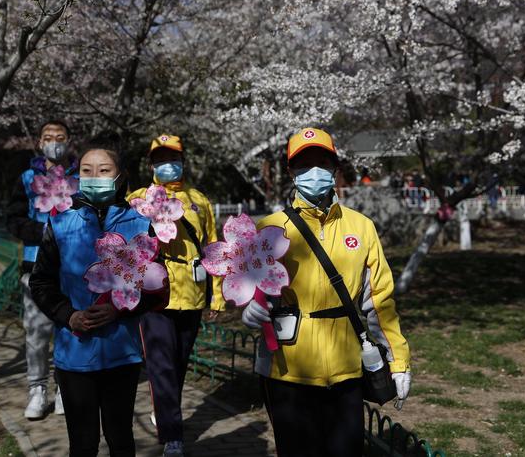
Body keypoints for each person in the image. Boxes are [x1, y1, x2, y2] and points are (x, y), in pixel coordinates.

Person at [242, 128, 411, 457]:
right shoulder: (269, 228)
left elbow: (380, 301)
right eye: (304, 163)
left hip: (346, 367)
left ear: (334, 168)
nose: (314, 171)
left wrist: (399, 359)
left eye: (323, 162)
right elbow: (247, 286)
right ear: (291, 171)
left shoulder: (361, 227)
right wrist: (249, 308)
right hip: (286, 370)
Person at [30, 147, 166, 457]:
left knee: (120, 438)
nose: (95, 177)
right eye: (87, 171)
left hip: (123, 354)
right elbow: (41, 282)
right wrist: (69, 316)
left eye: (104, 170)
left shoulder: (141, 226)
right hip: (73, 355)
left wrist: (119, 308)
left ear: (120, 177)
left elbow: (158, 288)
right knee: (83, 442)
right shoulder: (60, 224)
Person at [126, 134, 225, 457]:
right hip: (155, 291)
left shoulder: (199, 200)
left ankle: (166, 408)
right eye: (160, 158)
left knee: (179, 362)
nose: (167, 163)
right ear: (151, 163)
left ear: (183, 160)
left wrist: (218, 296)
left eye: (173, 156)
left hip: (193, 292)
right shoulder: (137, 198)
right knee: (161, 364)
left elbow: (213, 247)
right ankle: (173, 434)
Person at [6, 119, 76, 419]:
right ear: (39, 142)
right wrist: (43, 230)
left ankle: (64, 390)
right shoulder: (26, 178)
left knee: (68, 329)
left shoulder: (80, 176)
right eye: (48, 137)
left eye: (60, 137)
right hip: (36, 265)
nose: (54, 142)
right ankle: (37, 389)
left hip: (72, 265)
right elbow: (14, 219)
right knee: (36, 331)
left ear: (69, 141)